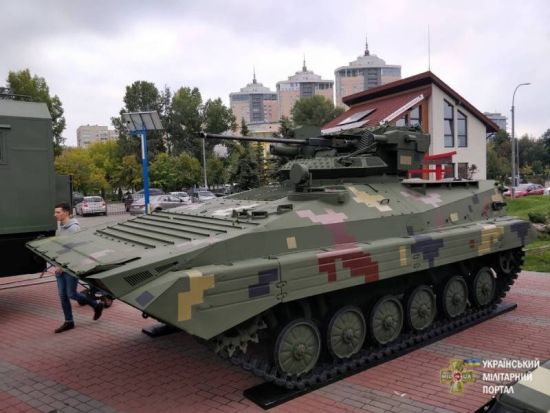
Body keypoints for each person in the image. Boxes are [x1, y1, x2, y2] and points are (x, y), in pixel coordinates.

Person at [53, 202, 103, 333]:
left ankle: (96, 305)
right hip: (59, 267)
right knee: (63, 295)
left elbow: (76, 251)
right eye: (55, 212)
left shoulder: (74, 228)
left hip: (71, 266)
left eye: (58, 212)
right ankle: (69, 321)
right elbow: (57, 247)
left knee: (71, 294)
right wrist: (57, 264)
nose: (55, 215)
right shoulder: (60, 228)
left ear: (66, 212)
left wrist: (63, 266)